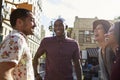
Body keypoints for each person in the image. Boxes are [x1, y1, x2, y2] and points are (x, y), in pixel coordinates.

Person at [0, 8, 36, 80]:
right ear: (19, 22)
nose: (35, 25)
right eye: (32, 20)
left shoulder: (17, 39)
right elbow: (4, 74)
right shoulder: (17, 39)